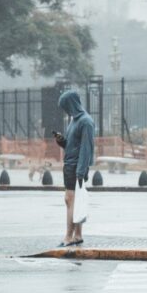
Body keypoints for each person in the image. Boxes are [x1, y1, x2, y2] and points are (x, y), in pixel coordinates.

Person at [54, 90, 95, 247]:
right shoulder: (74, 121)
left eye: (66, 106)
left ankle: (68, 237)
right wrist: (61, 141)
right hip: (70, 165)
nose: (65, 110)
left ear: (72, 104)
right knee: (74, 201)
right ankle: (77, 235)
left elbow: (86, 149)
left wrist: (81, 171)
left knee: (70, 200)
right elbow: (72, 145)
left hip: (76, 167)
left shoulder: (86, 122)